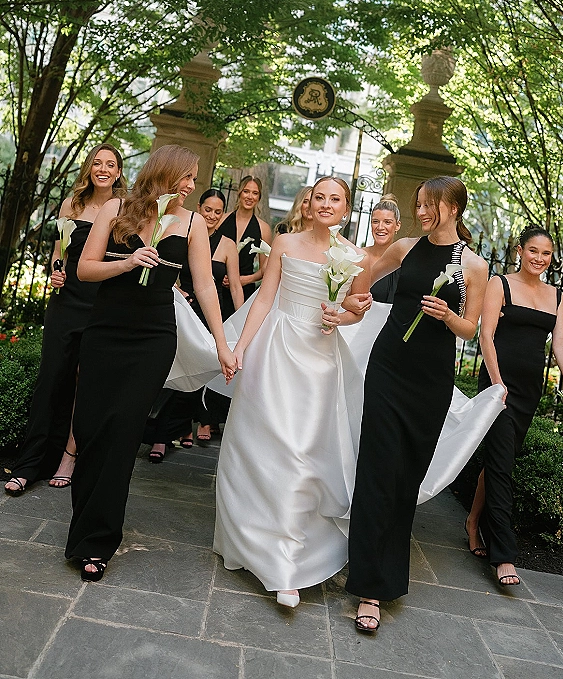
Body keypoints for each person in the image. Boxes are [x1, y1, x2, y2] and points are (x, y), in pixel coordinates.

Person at [64, 145, 235, 582]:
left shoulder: (193, 222)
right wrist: (126, 264)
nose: (193, 186)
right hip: (105, 330)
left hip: (153, 336)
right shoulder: (116, 208)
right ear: (167, 174)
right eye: (189, 177)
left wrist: (222, 344)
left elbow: (206, 286)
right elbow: (84, 269)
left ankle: (98, 541)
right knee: (91, 427)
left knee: (122, 431)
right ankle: (82, 527)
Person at [214, 176, 370, 608]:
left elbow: (356, 311)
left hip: (320, 362)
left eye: (334, 199)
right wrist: (240, 348)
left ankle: (289, 557)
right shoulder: (284, 242)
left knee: (302, 454)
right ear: (308, 202)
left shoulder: (357, 257)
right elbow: (263, 299)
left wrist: (345, 317)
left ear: (346, 208)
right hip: (275, 352)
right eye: (319, 197)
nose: (325, 204)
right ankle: (257, 549)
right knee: (262, 448)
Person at [346, 175, 488, 632]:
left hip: (430, 381)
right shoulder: (404, 247)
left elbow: (472, 330)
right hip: (387, 369)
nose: (423, 212)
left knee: (405, 479)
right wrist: (355, 301)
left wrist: (449, 316)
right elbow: (362, 274)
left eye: (431, 205)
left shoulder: (473, 264)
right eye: (420, 204)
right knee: (377, 471)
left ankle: (385, 573)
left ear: (454, 207)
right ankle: (369, 588)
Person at [5, 144, 126, 496]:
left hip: (101, 301)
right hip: (65, 300)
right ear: (89, 168)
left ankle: (68, 458)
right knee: (50, 378)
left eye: (110, 164)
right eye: (97, 163)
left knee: (83, 382)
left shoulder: (122, 210)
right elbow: (59, 253)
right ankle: (29, 464)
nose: (102, 169)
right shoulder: (70, 204)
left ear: (118, 173)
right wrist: (56, 271)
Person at [465, 225, 563, 585]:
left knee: (501, 460)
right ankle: (504, 555)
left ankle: (471, 521)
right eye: (533, 251)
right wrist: (497, 382)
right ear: (520, 250)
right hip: (498, 382)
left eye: (546, 254)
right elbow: (485, 335)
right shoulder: (500, 283)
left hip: (529, 390)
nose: (539, 259)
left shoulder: (557, 296)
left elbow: (560, 343)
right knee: (501, 465)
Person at [146, 188, 243, 459]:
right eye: (207, 209)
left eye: (217, 211)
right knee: (174, 370)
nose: (211, 215)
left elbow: (234, 285)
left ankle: (182, 427)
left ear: (223, 215)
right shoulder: (183, 229)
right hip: (182, 309)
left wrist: (240, 321)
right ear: (199, 207)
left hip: (211, 312)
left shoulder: (228, 245)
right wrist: (177, 289)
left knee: (198, 373)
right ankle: (161, 436)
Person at [217, 175, 272, 317]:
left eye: (255, 193)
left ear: (259, 197)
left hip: (244, 290)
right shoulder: (221, 220)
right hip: (216, 288)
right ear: (239, 192)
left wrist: (244, 280)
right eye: (246, 191)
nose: (250, 197)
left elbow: (265, 269)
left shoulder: (263, 229)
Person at [365, 194, 401, 304]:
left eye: (387, 222)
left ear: (397, 226)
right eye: (375, 221)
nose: (380, 227)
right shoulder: (359, 256)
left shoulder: (403, 262)